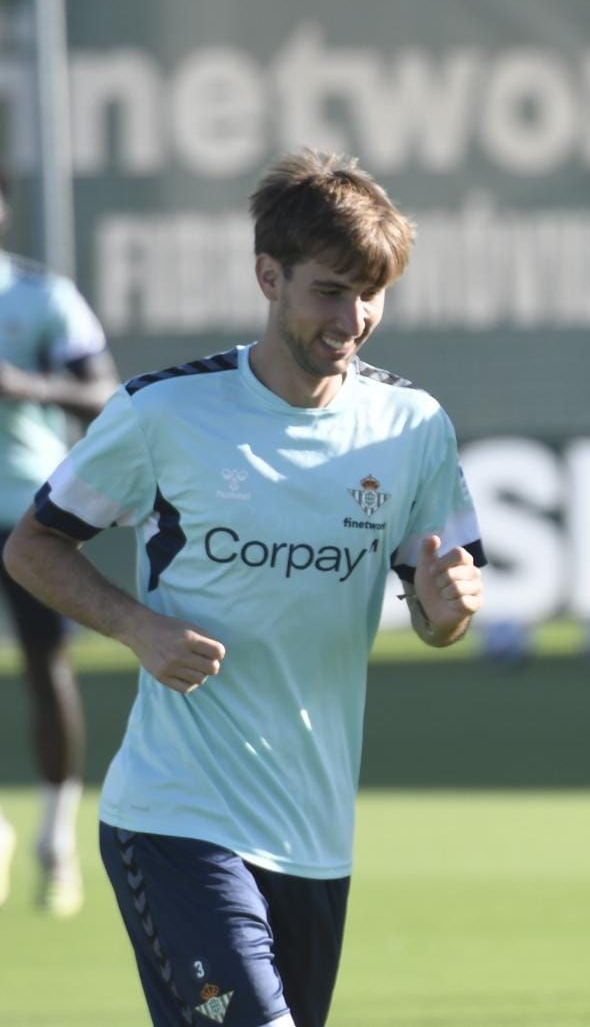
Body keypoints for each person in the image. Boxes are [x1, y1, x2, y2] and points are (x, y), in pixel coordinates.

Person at [3, 149, 485, 1027]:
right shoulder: (164, 413)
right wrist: (137, 626)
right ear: (269, 276)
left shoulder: (411, 427)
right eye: (329, 291)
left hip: (314, 836)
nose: (353, 319)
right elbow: (34, 545)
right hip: (176, 817)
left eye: (372, 294)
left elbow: (435, 607)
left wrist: (443, 611)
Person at [0, 175, 119, 918]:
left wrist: (25, 386)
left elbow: (105, 393)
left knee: (47, 668)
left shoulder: (41, 297)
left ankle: (55, 838)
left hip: (24, 511)